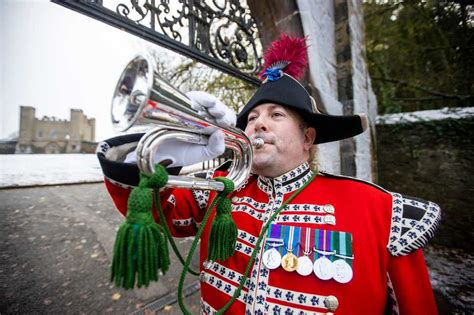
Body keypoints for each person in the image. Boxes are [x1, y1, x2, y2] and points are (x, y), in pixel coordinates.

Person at [97, 34, 440, 314]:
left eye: (276, 114)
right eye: (251, 118)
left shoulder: (377, 209)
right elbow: (152, 213)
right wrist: (160, 157)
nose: (258, 123)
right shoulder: (221, 190)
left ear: (308, 138)